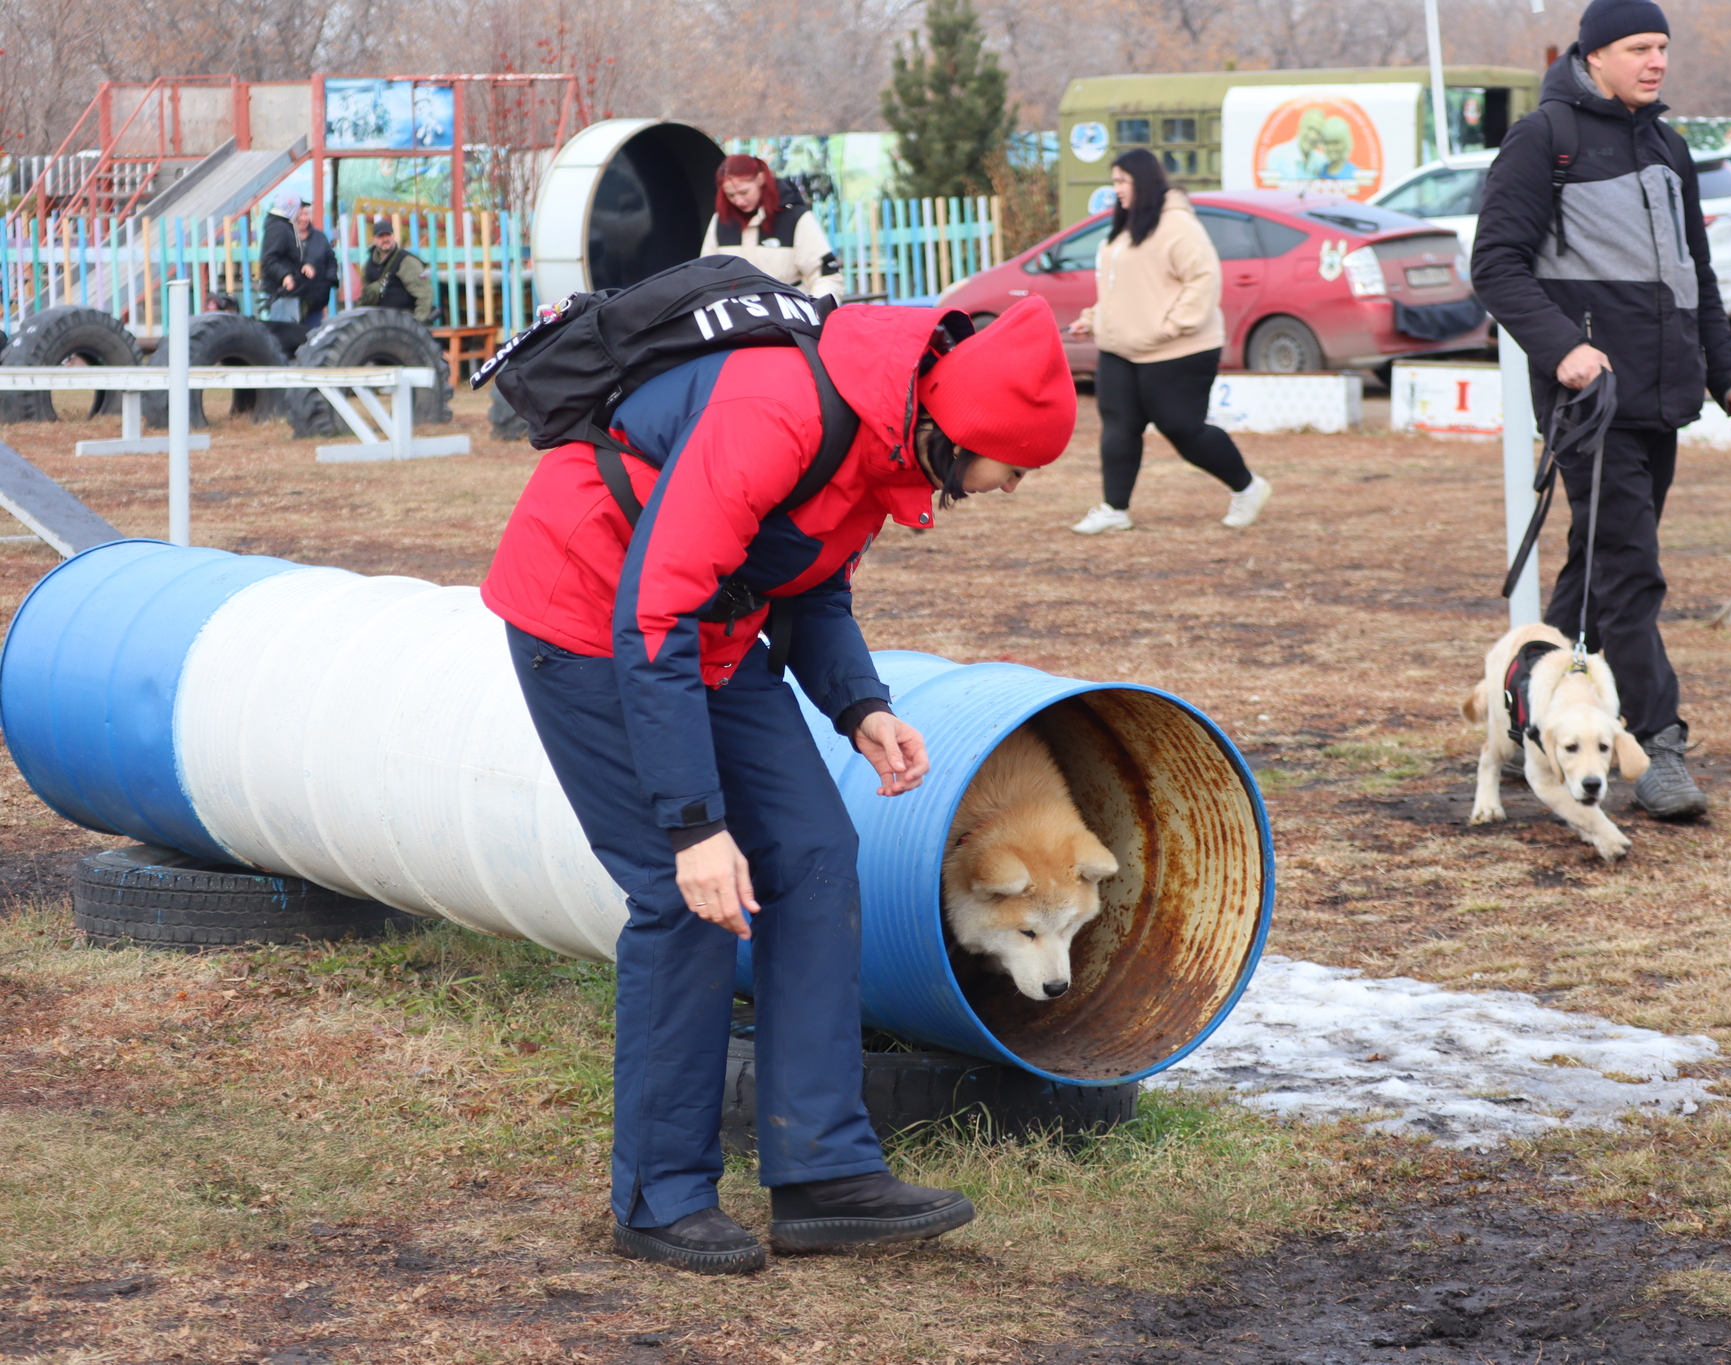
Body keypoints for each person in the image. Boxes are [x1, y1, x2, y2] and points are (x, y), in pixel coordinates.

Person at [479, 296, 1076, 1272]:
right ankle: (658, 1198)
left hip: (703, 636)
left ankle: (821, 1174)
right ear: (953, 430)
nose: (1010, 486)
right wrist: (692, 825)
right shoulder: (779, 411)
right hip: (591, 623)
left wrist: (859, 706)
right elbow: (651, 613)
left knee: (810, 851)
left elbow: (809, 573)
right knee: (687, 901)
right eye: (1012, 466)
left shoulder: (882, 435)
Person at [1470, 0, 1731, 820]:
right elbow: (1494, 264)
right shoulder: (1544, 138)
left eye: (1664, 46)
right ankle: (1657, 746)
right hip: (1588, 404)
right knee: (1631, 571)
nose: (1656, 61)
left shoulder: (1670, 147)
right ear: (1593, 55)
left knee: (1598, 572)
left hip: (1661, 400)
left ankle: (1518, 706)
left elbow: (1695, 280)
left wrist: (1729, 373)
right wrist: (1563, 346)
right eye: (1639, 46)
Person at [1067, 148, 1273, 534]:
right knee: (1118, 425)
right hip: (1120, 348)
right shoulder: (1126, 226)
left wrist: (1172, 325)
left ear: (1143, 182)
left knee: (1182, 428)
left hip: (1178, 348)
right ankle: (1115, 509)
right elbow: (1126, 288)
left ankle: (1248, 488)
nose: (1116, 191)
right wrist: (1094, 319)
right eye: (1113, 182)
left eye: (1121, 182)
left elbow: (1204, 278)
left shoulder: (1177, 224)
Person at [700, 155, 843, 299]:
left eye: (744, 192)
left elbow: (826, 275)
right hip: (734, 316)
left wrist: (816, 310)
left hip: (789, 316)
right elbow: (705, 275)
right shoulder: (721, 220)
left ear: (760, 179)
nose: (739, 200)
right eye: (730, 195)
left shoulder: (795, 218)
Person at [361, 217, 434, 323]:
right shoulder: (370, 264)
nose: (385, 239)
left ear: (393, 236)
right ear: (374, 239)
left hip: (402, 321)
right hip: (377, 321)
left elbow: (424, 294)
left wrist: (417, 324)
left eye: (388, 235)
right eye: (381, 236)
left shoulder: (406, 261)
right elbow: (366, 293)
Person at [259, 194, 308, 323]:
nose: (302, 211)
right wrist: (285, 276)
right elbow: (269, 258)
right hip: (281, 294)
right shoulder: (279, 229)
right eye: (300, 207)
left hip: (286, 294)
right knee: (284, 335)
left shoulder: (282, 226)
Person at [295, 204, 336, 329]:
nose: (304, 218)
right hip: (293, 300)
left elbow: (331, 261)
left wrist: (327, 283)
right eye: (300, 214)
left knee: (313, 335)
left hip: (316, 300)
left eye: (307, 214)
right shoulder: (286, 237)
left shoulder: (320, 237)